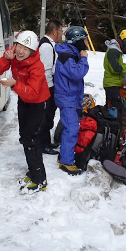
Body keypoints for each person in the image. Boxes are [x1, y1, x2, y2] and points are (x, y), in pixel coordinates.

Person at [0, 30, 51, 192]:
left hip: (38, 104)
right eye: (19, 46)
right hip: (24, 101)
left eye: (26, 49)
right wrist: (6, 59)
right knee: (24, 137)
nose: (20, 51)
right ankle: (33, 172)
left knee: (32, 140)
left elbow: (33, 92)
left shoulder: (37, 66)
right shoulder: (14, 56)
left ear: (32, 51)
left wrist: (13, 84)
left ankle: (40, 180)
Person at [54, 25, 90, 175]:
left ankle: (64, 154)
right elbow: (77, 73)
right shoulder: (67, 56)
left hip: (71, 97)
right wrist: (83, 59)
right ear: (78, 41)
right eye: (86, 40)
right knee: (71, 129)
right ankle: (66, 162)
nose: (87, 44)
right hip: (67, 98)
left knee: (69, 127)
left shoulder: (70, 54)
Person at [38, 19, 64, 155]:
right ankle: (43, 144)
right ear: (54, 31)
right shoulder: (47, 47)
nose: (61, 33)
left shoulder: (49, 44)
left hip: (48, 86)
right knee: (46, 116)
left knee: (48, 115)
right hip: (47, 87)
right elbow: (45, 70)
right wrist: (49, 90)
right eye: (60, 30)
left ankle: (46, 142)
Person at [103, 29, 126, 130]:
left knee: (113, 106)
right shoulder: (113, 51)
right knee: (116, 108)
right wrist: (125, 67)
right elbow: (115, 68)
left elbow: (117, 65)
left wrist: (125, 66)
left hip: (114, 83)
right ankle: (115, 130)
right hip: (111, 84)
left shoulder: (116, 50)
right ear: (125, 41)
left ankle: (112, 129)